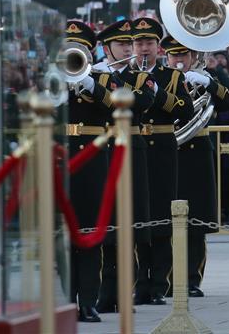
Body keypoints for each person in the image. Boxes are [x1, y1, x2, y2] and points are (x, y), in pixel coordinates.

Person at [162, 35, 229, 298]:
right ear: (166, 57)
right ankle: (165, 279)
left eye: (183, 55)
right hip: (166, 154)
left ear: (194, 56)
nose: (179, 59)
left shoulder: (206, 79)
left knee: (195, 222)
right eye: (174, 55)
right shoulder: (158, 79)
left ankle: (192, 279)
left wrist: (209, 84)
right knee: (165, 221)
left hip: (197, 154)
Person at [131, 18, 194, 306]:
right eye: (139, 43)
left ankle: (159, 284)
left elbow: (185, 109)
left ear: (158, 47)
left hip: (162, 150)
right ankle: (138, 283)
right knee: (136, 216)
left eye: (149, 43)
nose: (144, 49)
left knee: (161, 216)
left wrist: (158, 94)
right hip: (134, 148)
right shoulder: (123, 76)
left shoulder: (172, 77)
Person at [94, 18, 154, 314]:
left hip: (130, 152)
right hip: (100, 152)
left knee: (128, 225)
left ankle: (124, 291)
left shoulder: (140, 77)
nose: (129, 49)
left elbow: (139, 102)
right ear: (107, 48)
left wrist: (104, 83)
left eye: (130, 44)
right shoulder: (92, 74)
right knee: (103, 222)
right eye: (122, 44)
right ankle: (102, 293)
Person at [59, 21, 113, 323]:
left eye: (79, 48)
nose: (73, 52)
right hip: (61, 160)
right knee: (63, 235)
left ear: (90, 51)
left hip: (92, 161)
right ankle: (65, 300)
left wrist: (90, 86)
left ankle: (89, 301)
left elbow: (118, 107)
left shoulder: (102, 78)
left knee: (91, 232)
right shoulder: (50, 79)